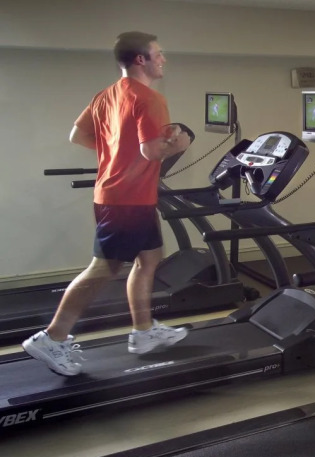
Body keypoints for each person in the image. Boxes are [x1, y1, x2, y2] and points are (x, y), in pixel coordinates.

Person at [22, 32, 192, 376]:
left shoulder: (106, 95)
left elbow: (78, 136)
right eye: (158, 54)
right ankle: (51, 338)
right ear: (141, 59)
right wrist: (181, 142)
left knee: (149, 258)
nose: (164, 59)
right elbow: (151, 151)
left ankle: (143, 332)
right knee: (104, 268)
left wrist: (118, 152)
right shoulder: (150, 98)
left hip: (122, 196)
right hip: (127, 200)